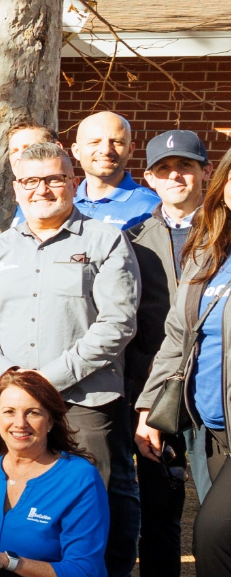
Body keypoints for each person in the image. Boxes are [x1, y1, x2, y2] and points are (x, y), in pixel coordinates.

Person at [0, 141, 140, 577]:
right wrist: (9, 377)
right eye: (29, 181)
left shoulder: (105, 240)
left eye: (53, 179)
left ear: (73, 183)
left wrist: (46, 381)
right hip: (12, 405)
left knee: (98, 506)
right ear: (16, 188)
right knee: (18, 505)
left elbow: (118, 324)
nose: (41, 189)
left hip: (84, 401)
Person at [139, 147, 231, 572]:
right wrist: (149, 406)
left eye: (185, 167)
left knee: (213, 537)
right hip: (212, 424)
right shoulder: (209, 249)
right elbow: (179, 335)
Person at [125, 128, 208, 576]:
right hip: (155, 391)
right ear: (150, 178)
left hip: (214, 384)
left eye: (185, 166)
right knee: (160, 508)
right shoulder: (131, 240)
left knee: (218, 505)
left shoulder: (224, 232)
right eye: (164, 169)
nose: (175, 175)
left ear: (205, 172)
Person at [0, 371, 107, 577]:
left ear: (50, 421)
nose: (20, 423)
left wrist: (7, 561)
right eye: (9, 411)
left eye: (33, 412)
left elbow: (84, 570)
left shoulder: (80, 478)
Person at [71, 112, 160, 230]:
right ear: (76, 151)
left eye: (116, 142)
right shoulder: (61, 201)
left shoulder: (151, 207)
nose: (106, 150)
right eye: (94, 142)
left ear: (130, 150)